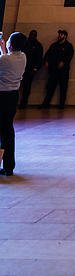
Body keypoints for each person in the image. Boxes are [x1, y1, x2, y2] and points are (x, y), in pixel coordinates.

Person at [0, 32, 27, 175]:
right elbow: (6, 61)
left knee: (2, 131)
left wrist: (3, 50)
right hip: (12, 96)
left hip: (1, 96)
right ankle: (9, 165)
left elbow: (4, 61)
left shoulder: (5, 59)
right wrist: (3, 48)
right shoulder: (23, 57)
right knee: (8, 130)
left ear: (10, 44)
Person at [40, 28, 74, 108]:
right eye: (59, 34)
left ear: (65, 36)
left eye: (61, 34)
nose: (59, 36)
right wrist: (46, 61)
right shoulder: (54, 45)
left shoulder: (68, 46)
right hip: (53, 70)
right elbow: (48, 54)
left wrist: (64, 62)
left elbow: (69, 56)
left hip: (63, 71)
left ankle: (61, 104)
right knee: (50, 87)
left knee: (63, 87)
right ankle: (46, 104)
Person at [18, 29, 43, 109]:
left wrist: (36, 68)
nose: (32, 36)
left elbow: (39, 58)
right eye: (31, 34)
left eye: (34, 35)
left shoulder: (38, 46)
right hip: (21, 67)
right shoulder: (25, 43)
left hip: (30, 69)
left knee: (27, 87)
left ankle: (23, 103)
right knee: (17, 85)